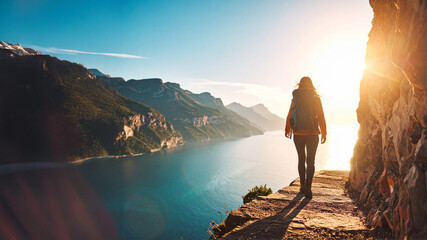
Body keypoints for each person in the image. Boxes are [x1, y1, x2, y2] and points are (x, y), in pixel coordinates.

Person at [285, 76, 327, 198]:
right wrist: (324, 132)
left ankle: (302, 186)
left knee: (301, 159)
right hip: (312, 133)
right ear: (311, 85)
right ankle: (308, 186)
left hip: (298, 133)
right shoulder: (316, 98)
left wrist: (287, 128)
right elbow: (320, 116)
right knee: (310, 161)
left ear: (300, 85)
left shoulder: (295, 99)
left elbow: (290, 114)